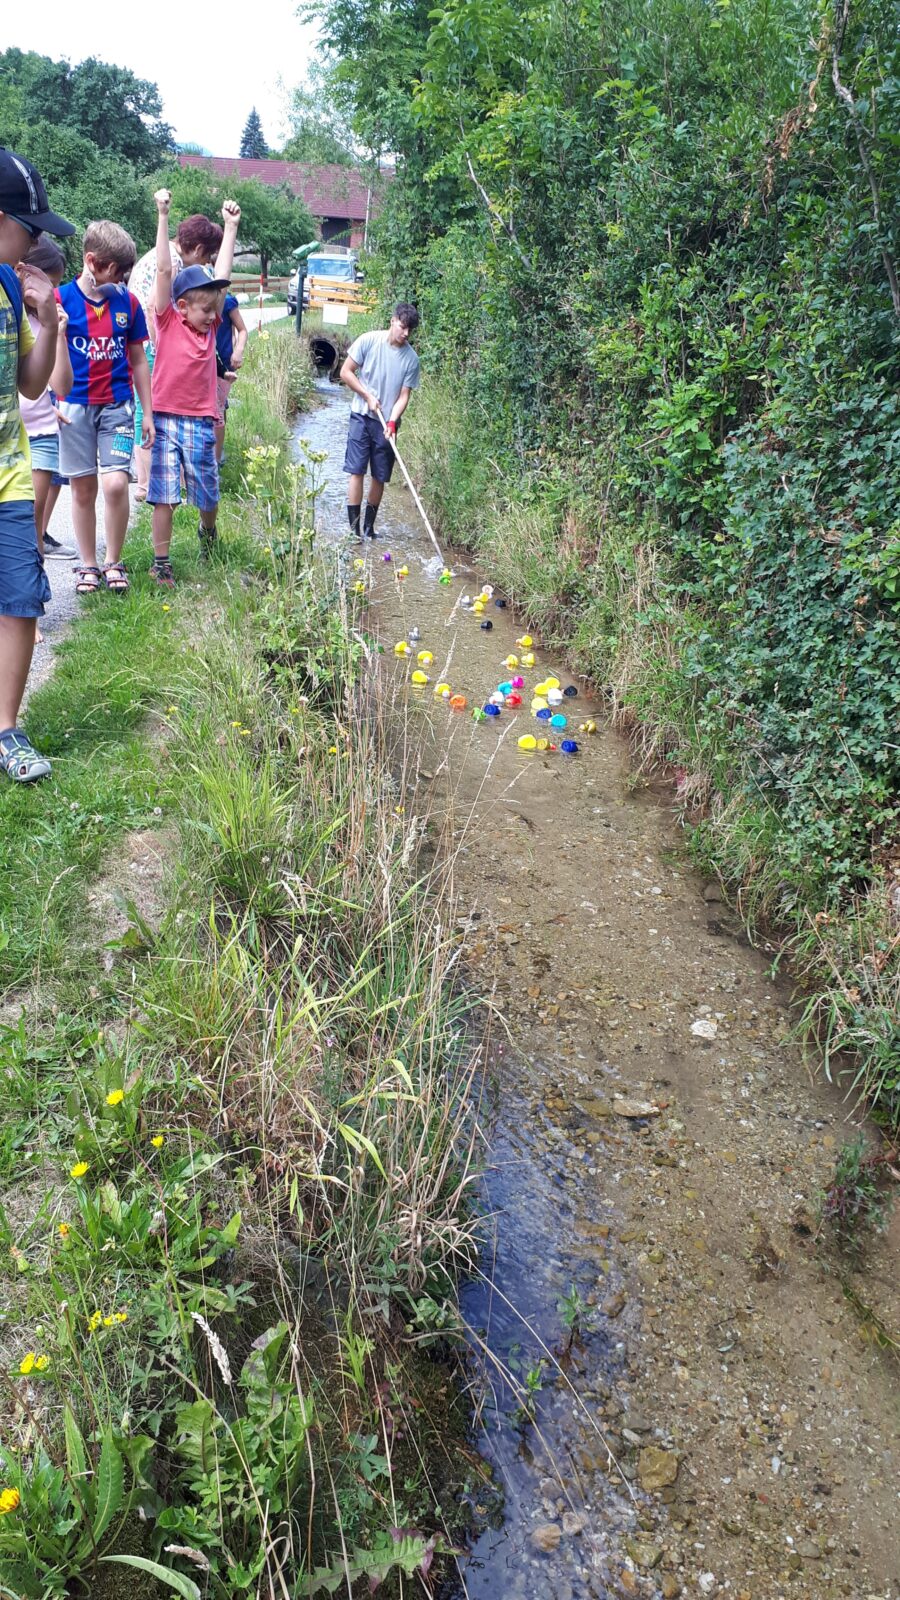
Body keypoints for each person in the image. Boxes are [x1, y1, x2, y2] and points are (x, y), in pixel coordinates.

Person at [0, 145, 74, 783]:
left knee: (22, 599)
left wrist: (47, 321)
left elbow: (30, 383)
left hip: (11, 477)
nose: (35, 244)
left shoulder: (7, 286)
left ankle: (7, 731)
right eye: (29, 229)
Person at [147, 188, 240, 587]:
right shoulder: (167, 319)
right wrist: (162, 216)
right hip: (166, 419)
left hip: (202, 420)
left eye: (213, 310)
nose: (211, 316)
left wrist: (231, 227)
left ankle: (208, 530)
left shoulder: (211, 327)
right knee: (164, 494)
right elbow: (163, 271)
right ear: (182, 306)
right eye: (205, 310)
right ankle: (161, 562)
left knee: (207, 492)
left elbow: (223, 278)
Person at [56, 221, 154, 595]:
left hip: (118, 405)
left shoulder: (128, 303)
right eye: (117, 271)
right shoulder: (61, 300)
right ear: (92, 261)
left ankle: (113, 559)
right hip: (74, 407)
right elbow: (43, 355)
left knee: (115, 484)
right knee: (83, 489)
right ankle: (88, 564)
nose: (122, 279)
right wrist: (49, 400)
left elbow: (139, 359)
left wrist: (148, 412)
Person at [129, 213, 223, 499]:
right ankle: (146, 482)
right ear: (198, 249)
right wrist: (159, 348)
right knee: (146, 410)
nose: (205, 264)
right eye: (206, 258)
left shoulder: (167, 253)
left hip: (143, 337)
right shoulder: (174, 262)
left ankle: (148, 479)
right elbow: (152, 307)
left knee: (144, 409)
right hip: (149, 340)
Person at [339, 303, 420, 538]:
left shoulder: (411, 359)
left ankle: (369, 528)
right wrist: (367, 395)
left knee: (380, 476)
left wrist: (393, 421)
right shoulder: (368, 340)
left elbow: (404, 395)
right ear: (393, 321)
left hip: (387, 423)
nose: (406, 333)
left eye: (410, 330)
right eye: (403, 327)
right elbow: (346, 372)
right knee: (356, 470)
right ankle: (354, 531)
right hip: (361, 415)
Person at [18, 238, 75, 560]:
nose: (52, 293)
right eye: (49, 284)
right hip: (10, 431)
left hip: (40, 433)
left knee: (32, 523)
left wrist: (58, 333)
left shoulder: (47, 321)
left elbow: (62, 384)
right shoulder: (10, 315)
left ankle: (33, 584)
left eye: (55, 286)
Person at [214, 290, 247, 464]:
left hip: (223, 362)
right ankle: (215, 453)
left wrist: (238, 351)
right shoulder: (196, 296)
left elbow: (242, 330)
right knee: (216, 408)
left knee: (219, 409)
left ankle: (217, 459)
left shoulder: (227, 301)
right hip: (204, 360)